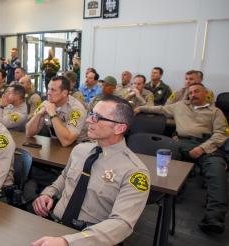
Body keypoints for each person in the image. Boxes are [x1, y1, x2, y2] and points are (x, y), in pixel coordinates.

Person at [32, 95, 150, 246]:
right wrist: (49, 193)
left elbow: (121, 224)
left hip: (90, 239)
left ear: (119, 128)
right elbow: (64, 177)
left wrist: (68, 242)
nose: (88, 120)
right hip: (55, 226)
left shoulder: (134, 172)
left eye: (97, 117)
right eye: (91, 114)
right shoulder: (80, 150)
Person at [136, 83, 228, 233]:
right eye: (190, 93)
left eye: (196, 91)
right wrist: (139, 108)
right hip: (182, 143)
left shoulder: (216, 111)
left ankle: (213, 218)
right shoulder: (179, 106)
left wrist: (202, 148)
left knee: (217, 170)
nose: (192, 95)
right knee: (162, 158)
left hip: (206, 144)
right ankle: (167, 194)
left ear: (206, 94)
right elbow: (158, 109)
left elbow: (221, 134)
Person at [26, 76, 88, 147]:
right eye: (48, 88)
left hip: (78, 146)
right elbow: (29, 133)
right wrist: (39, 114)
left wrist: (52, 113)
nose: (48, 92)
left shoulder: (76, 110)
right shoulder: (47, 104)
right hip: (56, 144)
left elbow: (66, 141)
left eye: (53, 90)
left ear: (64, 93)